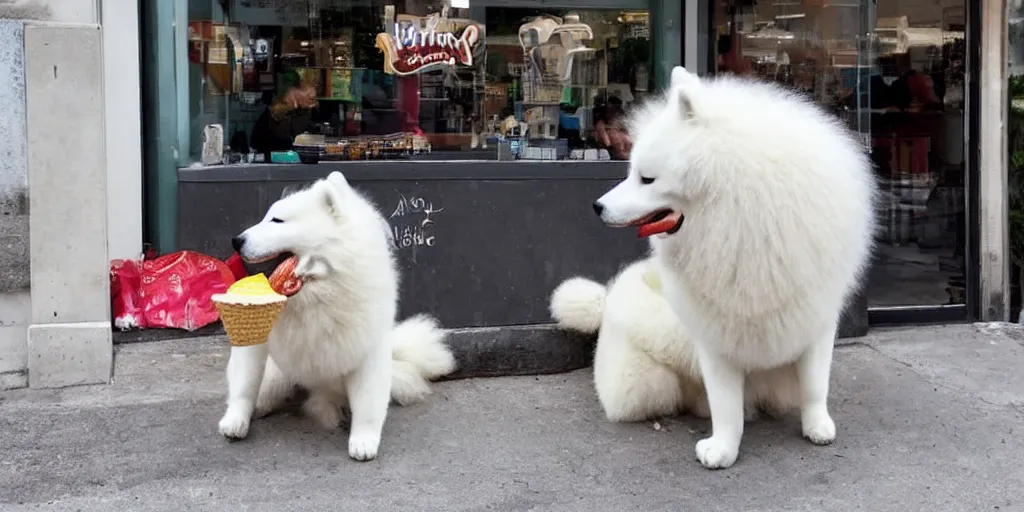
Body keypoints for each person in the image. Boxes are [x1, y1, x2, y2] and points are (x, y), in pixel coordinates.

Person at [250, 80, 318, 158]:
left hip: (291, 154)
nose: (312, 103)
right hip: (271, 152)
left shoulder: (304, 110)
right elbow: (281, 131)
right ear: (296, 93)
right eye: (310, 98)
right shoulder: (278, 108)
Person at [593, 96, 632, 160]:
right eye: (611, 110)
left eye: (617, 109)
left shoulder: (622, 124)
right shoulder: (601, 124)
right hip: (612, 156)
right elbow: (607, 142)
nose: (615, 113)